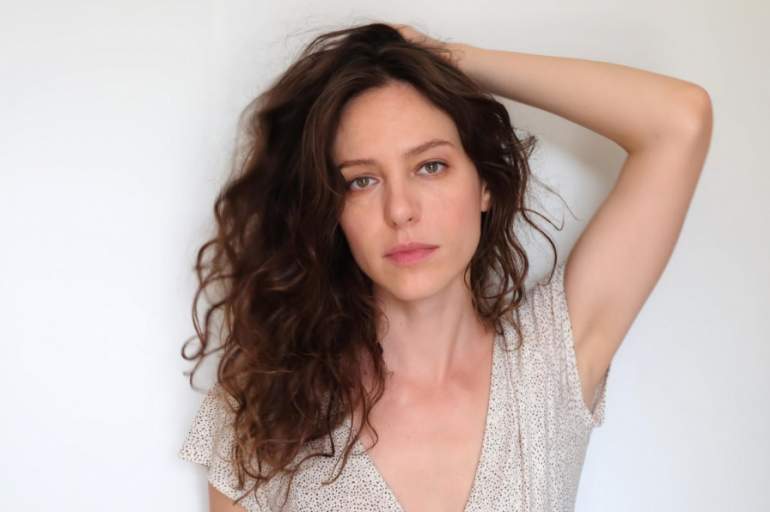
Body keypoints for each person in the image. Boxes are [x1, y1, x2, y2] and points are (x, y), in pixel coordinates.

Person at [178, 22, 712, 512]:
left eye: (430, 166)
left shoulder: (549, 363)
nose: (400, 210)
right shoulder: (269, 406)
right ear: (331, 209)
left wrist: (454, 61)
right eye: (362, 180)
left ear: (484, 184)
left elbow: (679, 122)